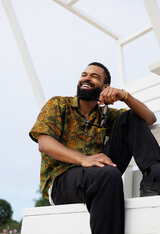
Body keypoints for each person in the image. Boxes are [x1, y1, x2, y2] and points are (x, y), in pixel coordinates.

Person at [29, 62, 160, 234]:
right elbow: (44, 144)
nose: (86, 78)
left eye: (94, 76)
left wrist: (124, 96)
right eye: (84, 75)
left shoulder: (105, 114)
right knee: (107, 174)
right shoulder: (59, 104)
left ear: (105, 87)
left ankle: (154, 183)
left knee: (130, 117)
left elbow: (150, 119)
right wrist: (83, 159)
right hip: (61, 179)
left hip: (98, 173)